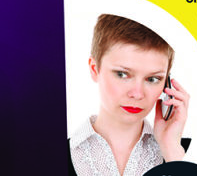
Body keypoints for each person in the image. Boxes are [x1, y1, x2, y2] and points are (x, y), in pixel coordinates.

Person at [68, 14, 190, 176]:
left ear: (167, 84)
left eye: (153, 79)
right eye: (122, 74)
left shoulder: (182, 155)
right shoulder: (47, 156)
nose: (137, 94)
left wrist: (173, 154)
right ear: (94, 69)